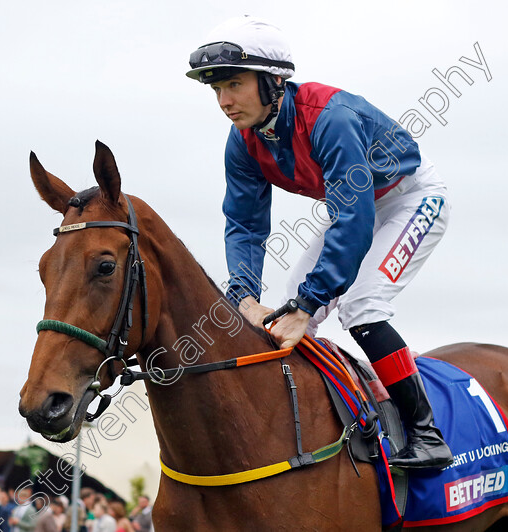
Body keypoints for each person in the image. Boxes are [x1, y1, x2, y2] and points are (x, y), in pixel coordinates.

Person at [186, 15, 453, 469]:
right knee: (283, 319)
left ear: (273, 81)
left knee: (361, 306)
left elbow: (353, 219)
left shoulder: (330, 118)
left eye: (233, 84)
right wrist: (244, 293)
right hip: (356, 209)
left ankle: (427, 435)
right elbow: (246, 224)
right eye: (216, 90)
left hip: (410, 198)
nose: (224, 102)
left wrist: (310, 303)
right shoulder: (243, 142)